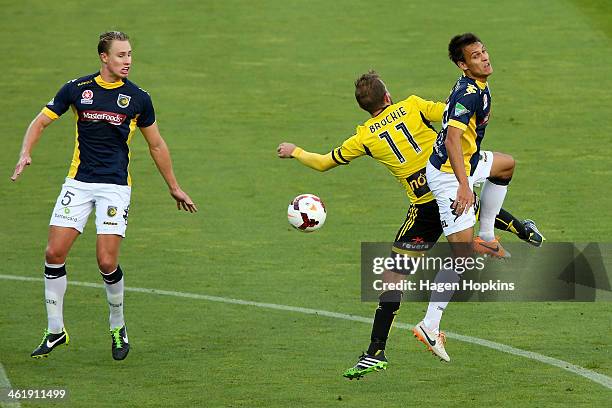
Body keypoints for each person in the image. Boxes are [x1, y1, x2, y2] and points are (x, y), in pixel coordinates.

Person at [277, 70, 543, 379]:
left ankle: (375, 351)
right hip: (446, 185)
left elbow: (323, 162)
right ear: (387, 96)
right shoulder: (413, 105)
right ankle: (522, 230)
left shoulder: (364, 137)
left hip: (424, 211)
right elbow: (450, 112)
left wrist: (294, 151)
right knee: (468, 203)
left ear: (365, 106)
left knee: (393, 277)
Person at [11, 31, 197, 361]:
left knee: (106, 261)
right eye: (121, 55)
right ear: (104, 57)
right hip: (78, 183)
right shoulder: (77, 90)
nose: (128, 61)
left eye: (129, 55)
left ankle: (117, 325)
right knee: (54, 253)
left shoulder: (138, 98)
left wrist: (173, 186)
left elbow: (156, 144)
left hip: (114, 187)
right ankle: (56, 330)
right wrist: (26, 152)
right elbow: (40, 121)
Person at [413, 33, 524, 362]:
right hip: (449, 175)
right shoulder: (467, 92)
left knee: (506, 166)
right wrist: (464, 186)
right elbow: (451, 141)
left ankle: (488, 235)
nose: (485, 58)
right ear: (463, 65)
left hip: (469, 162)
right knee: (461, 255)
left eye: (484, 51)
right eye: (476, 56)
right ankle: (429, 326)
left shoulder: (478, 86)